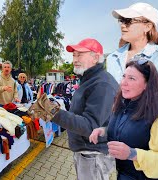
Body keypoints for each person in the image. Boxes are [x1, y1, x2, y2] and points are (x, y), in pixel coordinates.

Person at [31, 38, 119, 179]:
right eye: (74, 55)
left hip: (93, 155)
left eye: (80, 54)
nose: (75, 59)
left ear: (96, 57)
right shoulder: (90, 79)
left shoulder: (102, 84)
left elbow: (91, 126)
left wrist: (54, 112)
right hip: (87, 152)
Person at [89, 60, 158, 179]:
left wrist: (133, 154)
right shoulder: (125, 104)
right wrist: (104, 131)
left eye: (132, 78)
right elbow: (130, 130)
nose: (123, 83)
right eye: (124, 76)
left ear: (147, 84)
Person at [106, 2, 158, 124]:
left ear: (147, 27)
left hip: (152, 140)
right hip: (116, 136)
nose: (122, 25)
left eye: (128, 21)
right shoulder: (112, 58)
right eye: (121, 20)